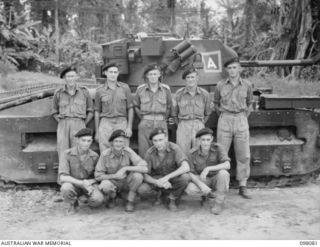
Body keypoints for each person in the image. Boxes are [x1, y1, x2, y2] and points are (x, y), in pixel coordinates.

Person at [214, 57, 253, 199]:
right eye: (229, 68)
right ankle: (220, 186)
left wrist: (242, 117)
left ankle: (243, 185)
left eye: (234, 67)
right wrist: (226, 116)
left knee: (243, 154)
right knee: (221, 152)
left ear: (240, 69)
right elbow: (216, 103)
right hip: (225, 118)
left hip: (241, 119)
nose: (232, 70)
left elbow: (250, 103)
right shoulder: (220, 85)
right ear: (226, 70)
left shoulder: (247, 85)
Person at [137, 127, 190, 211]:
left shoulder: (174, 148)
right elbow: (145, 174)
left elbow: (186, 167)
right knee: (142, 190)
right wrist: (157, 182)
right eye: (155, 141)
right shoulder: (150, 152)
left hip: (172, 178)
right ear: (152, 141)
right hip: (158, 179)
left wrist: (167, 177)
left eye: (160, 140)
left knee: (185, 177)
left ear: (166, 138)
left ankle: (172, 198)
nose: (158, 143)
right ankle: (159, 194)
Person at [94, 129, 148, 212]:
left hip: (126, 181)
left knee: (138, 176)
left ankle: (130, 200)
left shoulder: (128, 151)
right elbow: (97, 176)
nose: (118, 144)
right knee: (105, 185)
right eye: (116, 141)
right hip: (113, 181)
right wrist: (114, 176)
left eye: (121, 141)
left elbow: (144, 168)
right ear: (111, 142)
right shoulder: (105, 154)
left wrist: (125, 168)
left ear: (124, 143)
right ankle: (113, 198)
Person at [185, 128, 230, 215]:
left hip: (216, 178)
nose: (205, 143)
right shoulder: (192, 153)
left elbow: (227, 165)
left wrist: (208, 168)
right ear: (198, 140)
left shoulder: (218, 148)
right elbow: (190, 173)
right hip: (203, 179)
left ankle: (218, 203)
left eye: (208, 140)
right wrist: (201, 185)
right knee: (190, 189)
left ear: (212, 139)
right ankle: (206, 195)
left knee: (224, 173)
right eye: (203, 140)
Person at [58, 128, 104, 212]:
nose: (86, 144)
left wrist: (90, 182)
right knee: (66, 188)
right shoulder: (67, 154)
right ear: (77, 140)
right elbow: (63, 177)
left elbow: (98, 176)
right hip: (74, 184)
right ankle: (73, 203)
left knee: (98, 200)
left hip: (88, 184)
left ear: (91, 141)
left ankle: (85, 200)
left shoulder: (94, 156)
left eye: (89, 141)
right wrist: (81, 183)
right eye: (83, 140)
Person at [52, 66, 94, 159]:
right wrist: (61, 122)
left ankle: (77, 173)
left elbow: (91, 110)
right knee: (63, 151)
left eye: (72, 76)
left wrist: (83, 123)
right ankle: (63, 172)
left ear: (76, 77)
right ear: (64, 78)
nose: (71, 79)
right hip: (63, 124)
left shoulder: (84, 92)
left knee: (79, 150)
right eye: (68, 76)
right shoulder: (58, 93)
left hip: (79, 123)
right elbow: (54, 111)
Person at [134, 63, 172, 157]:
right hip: (145, 122)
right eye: (150, 74)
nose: (153, 76)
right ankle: (145, 170)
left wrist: (163, 119)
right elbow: (136, 106)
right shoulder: (140, 90)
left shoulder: (166, 90)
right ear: (147, 75)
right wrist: (143, 118)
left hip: (161, 122)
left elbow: (169, 107)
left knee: (162, 150)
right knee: (144, 151)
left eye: (155, 74)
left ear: (159, 75)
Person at [94, 62, 134, 152]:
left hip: (121, 121)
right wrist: (97, 132)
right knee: (105, 151)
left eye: (115, 72)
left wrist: (129, 127)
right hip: (105, 122)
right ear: (105, 73)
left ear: (118, 74)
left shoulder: (125, 88)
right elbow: (97, 111)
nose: (113, 74)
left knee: (123, 149)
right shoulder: (99, 91)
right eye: (110, 72)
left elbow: (130, 108)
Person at [172, 67, 211, 155]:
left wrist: (201, 123)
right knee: (182, 153)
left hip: (199, 124)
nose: (190, 79)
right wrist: (181, 125)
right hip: (183, 125)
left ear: (197, 78)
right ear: (185, 79)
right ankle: (184, 168)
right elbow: (174, 114)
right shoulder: (179, 94)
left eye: (193, 77)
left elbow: (207, 113)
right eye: (188, 77)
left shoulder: (204, 94)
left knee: (199, 152)